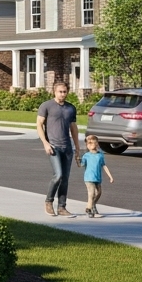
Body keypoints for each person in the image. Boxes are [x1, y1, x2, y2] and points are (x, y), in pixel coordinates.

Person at [37, 81, 82, 217]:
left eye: (64, 91)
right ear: (54, 92)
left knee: (65, 178)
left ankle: (62, 207)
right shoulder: (46, 106)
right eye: (60, 91)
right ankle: (48, 201)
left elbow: (73, 128)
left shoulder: (70, 108)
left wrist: (77, 148)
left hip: (67, 147)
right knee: (58, 175)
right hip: (53, 146)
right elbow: (39, 125)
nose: (62, 94)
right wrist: (45, 143)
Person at [80, 135, 114, 218]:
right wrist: (78, 159)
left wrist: (110, 176)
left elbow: (104, 166)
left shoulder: (100, 155)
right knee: (91, 194)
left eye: (93, 143)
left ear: (97, 144)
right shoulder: (86, 155)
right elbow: (81, 164)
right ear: (87, 145)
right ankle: (88, 209)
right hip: (89, 178)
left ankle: (92, 205)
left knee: (99, 193)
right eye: (89, 143)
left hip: (97, 178)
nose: (91, 145)